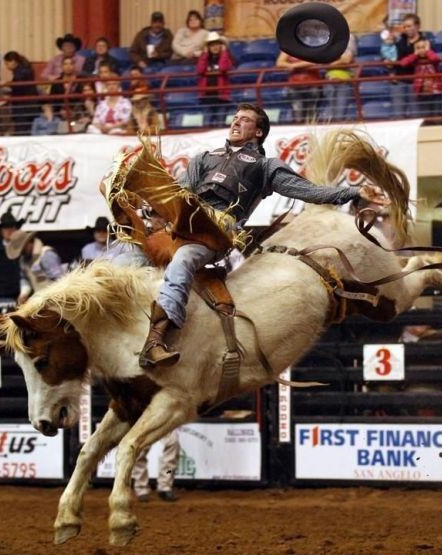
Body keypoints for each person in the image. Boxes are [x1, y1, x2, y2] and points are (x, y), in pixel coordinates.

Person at [126, 103, 384, 368]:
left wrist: (354, 193)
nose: (236, 122)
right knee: (128, 256)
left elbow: (309, 192)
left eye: (244, 120)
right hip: (180, 226)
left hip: (215, 233)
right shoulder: (203, 158)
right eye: (235, 118)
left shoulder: (265, 167)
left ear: (258, 132)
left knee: (183, 261)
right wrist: (145, 206)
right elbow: (177, 196)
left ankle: (155, 341)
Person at [6, 231, 65, 302]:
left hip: (55, 298)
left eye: (23, 250)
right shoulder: (23, 260)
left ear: (29, 242)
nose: (22, 253)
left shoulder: (46, 255)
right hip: (39, 299)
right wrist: (24, 294)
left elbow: (60, 279)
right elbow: (24, 278)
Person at [390, 13, 424, 119]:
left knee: (416, 113)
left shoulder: (424, 42)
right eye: (405, 27)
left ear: (417, 26)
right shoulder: (400, 41)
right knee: (398, 114)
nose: (407, 29)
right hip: (399, 80)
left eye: (409, 26)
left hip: (416, 81)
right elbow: (395, 58)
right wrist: (392, 71)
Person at [196, 32, 233, 127]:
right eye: (212, 45)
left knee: (220, 125)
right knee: (206, 125)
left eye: (217, 44)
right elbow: (200, 70)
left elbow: (223, 68)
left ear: (221, 46)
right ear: (208, 47)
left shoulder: (226, 58)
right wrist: (204, 54)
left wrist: (224, 53)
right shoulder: (204, 58)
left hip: (221, 98)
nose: (215, 47)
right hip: (207, 98)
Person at [399, 39, 442, 117]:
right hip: (422, 92)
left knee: (437, 115)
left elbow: (435, 59)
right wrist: (415, 54)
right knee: (426, 115)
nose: (421, 50)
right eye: (418, 48)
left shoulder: (432, 58)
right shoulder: (415, 60)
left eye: (423, 47)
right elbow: (403, 63)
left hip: (436, 91)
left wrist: (428, 51)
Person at [275, 50, 323, 124]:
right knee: (297, 110)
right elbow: (279, 63)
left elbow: (315, 61)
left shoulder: (313, 47)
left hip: (312, 85)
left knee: (311, 111)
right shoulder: (289, 48)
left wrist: (293, 66)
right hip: (294, 86)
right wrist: (302, 65)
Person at [132, 430, 180, 502]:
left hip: (164, 420)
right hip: (143, 421)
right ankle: (141, 489)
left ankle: (164, 487)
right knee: (139, 452)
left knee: (173, 443)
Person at [0, 51, 38, 135]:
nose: (6, 66)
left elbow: (19, 82)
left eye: (7, 63)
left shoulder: (22, 71)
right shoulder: (24, 69)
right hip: (27, 107)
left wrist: (7, 83)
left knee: (22, 131)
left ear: (13, 61)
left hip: (24, 108)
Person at [322, 34, 358, 122]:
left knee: (340, 114)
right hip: (329, 81)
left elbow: (346, 59)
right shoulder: (326, 38)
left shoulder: (348, 37)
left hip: (344, 81)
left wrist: (330, 64)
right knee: (332, 112)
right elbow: (322, 61)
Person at [127, 66, 158, 133]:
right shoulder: (132, 114)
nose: (138, 103)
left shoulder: (152, 112)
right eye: (136, 101)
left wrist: (146, 131)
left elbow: (155, 129)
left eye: (136, 75)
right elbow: (130, 130)